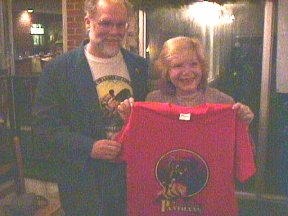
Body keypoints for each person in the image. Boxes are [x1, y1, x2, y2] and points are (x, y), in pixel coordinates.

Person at [32, 0, 148, 215]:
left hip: (130, 179)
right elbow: (43, 129)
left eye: (121, 24)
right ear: (88, 22)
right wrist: (89, 147)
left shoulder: (141, 67)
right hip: (83, 183)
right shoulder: (59, 70)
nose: (115, 31)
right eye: (106, 23)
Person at [118, 36, 254, 198]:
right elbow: (139, 149)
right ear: (166, 72)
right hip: (164, 196)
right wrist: (129, 120)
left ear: (202, 68)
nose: (187, 72)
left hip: (207, 195)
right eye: (177, 66)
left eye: (193, 64)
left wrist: (243, 125)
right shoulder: (154, 101)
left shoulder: (223, 103)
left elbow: (242, 157)